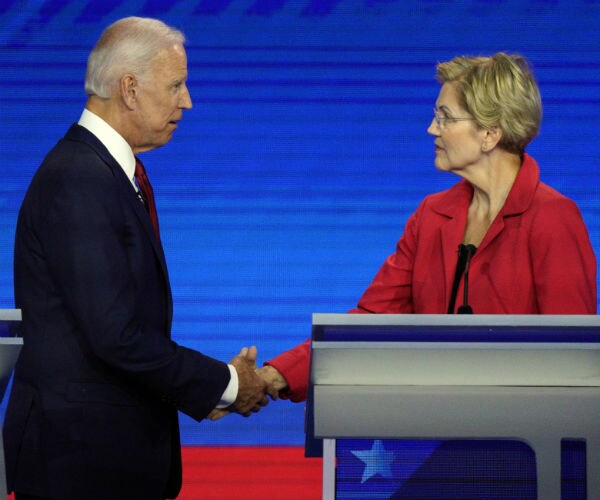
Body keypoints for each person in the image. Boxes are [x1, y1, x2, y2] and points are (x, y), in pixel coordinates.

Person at [3, 17, 274, 500]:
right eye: (176, 85)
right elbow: (117, 337)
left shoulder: (104, 172)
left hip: (103, 459)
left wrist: (205, 388)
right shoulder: (79, 178)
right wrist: (227, 385)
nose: (186, 101)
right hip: (81, 468)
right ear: (129, 89)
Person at [254, 52, 598, 403]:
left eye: (445, 117)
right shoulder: (432, 215)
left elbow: (573, 357)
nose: (431, 129)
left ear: (489, 134)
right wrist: (278, 373)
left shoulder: (553, 218)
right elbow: (372, 321)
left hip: (524, 438)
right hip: (437, 429)